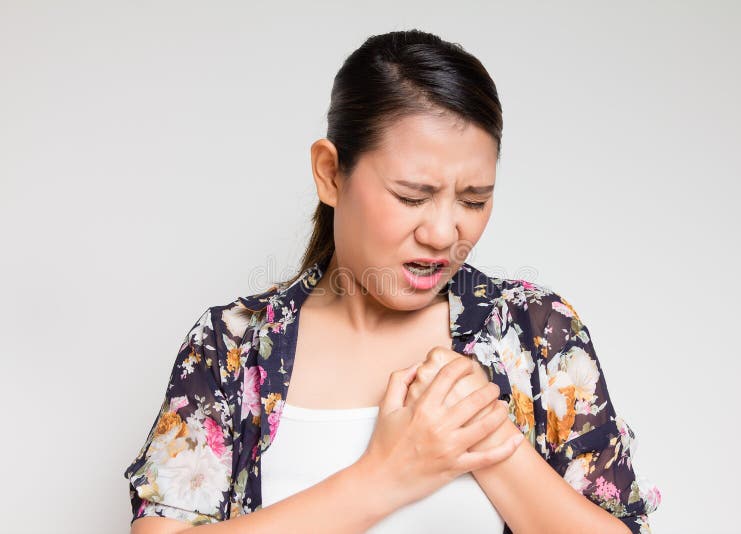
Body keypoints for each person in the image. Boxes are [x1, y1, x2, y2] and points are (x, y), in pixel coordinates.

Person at [123, 29, 661, 534]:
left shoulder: (535, 333)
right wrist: (386, 475)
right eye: (412, 197)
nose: (444, 233)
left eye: (474, 200)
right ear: (330, 174)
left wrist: (489, 435)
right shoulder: (232, 346)